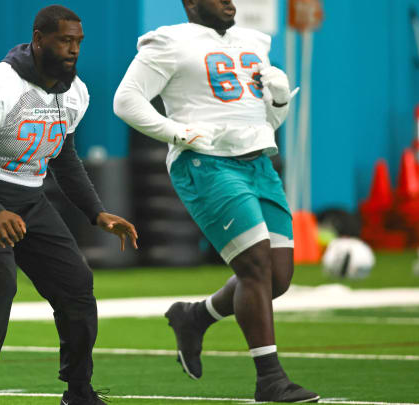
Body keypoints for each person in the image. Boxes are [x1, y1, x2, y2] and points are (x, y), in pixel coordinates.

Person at [0, 5, 138, 405]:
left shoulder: (76, 91)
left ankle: (78, 391)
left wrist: (96, 212)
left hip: (25, 194)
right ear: (38, 39)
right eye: (64, 40)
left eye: (78, 41)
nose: (74, 49)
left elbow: (63, 158)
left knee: (77, 283)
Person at [113, 0, 318, 402]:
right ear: (191, 2)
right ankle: (270, 380)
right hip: (207, 164)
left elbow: (266, 122)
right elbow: (126, 100)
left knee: (277, 277)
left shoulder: (253, 41)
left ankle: (194, 317)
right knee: (255, 264)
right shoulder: (170, 41)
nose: (229, 2)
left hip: (259, 162)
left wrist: (279, 100)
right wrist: (174, 132)